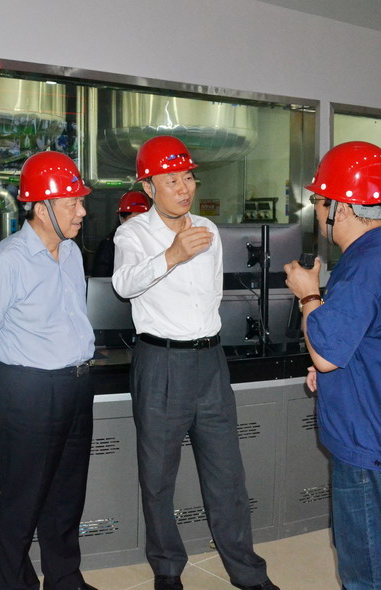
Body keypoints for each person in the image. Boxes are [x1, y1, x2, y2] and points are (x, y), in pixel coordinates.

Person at [111, 136, 277, 590]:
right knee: (158, 477)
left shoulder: (208, 228)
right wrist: (172, 255)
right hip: (161, 362)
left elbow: (211, 295)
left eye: (187, 178)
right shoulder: (132, 234)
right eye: (171, 181)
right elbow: (124, 284)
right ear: (149, 187)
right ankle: (167, 569)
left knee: (228, 475)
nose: (184, 188)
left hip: (210, 362)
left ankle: (247, 572)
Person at [283, 141, 381, 590]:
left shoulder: (364, 267)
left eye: (320, 200)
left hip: (371, 447)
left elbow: (325, 355)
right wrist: (337, 368)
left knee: (368, 572)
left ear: (343, 208)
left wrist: (308, 294)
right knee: (377, 552)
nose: (316, 209)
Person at [0, 151, 98, 590]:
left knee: (66, 497)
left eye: (81, 201)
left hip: (76, 384)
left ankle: (64, 578)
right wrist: (15, 385)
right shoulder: (7, 261)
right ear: (41, 208)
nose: (82, 211)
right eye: (72, 203)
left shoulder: (72, 253)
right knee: (22, 501)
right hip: (29, 391)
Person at [91, 190, 151, 277]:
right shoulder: (109, 245)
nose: (139, 225)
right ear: (122, 219)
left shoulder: (153, 240)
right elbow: (100, 278)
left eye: (143, 220)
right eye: (134, 220)